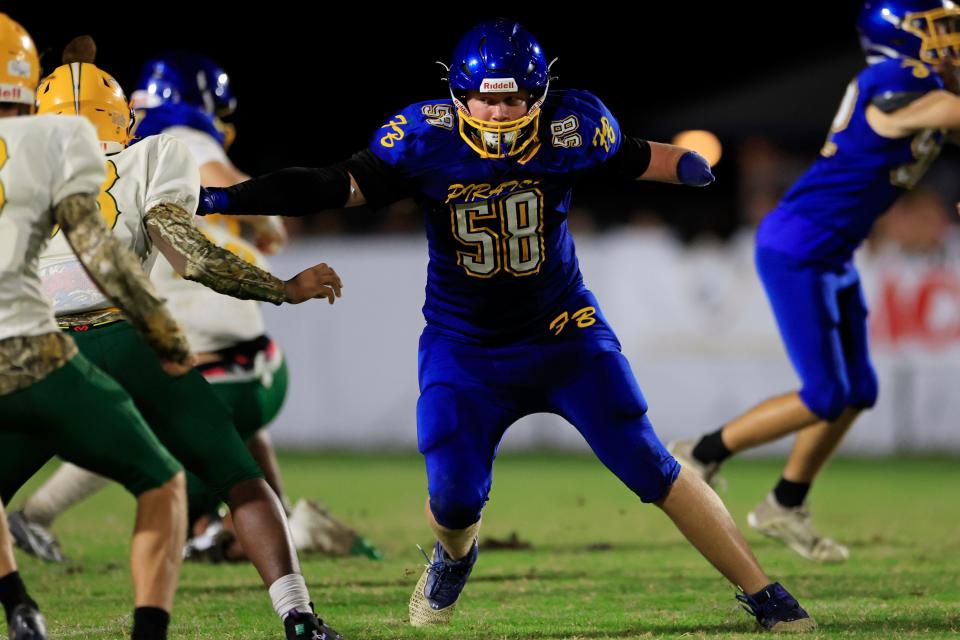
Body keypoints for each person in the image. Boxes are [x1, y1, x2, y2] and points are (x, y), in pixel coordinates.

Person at [197, 18, 815, 633]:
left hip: (565, 333)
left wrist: (685, 163)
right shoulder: (423, 137)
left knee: (648, 462)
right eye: (486, 98)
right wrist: (227, 198)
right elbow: (335, 186)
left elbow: (632, 157)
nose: (497, 113)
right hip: (466, 348)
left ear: (538, 97)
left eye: (512, 98)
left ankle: (765, 595)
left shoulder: (573, 128)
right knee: (453, 496)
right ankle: (454, 556)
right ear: (460, 96)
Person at [1, 37, 344, 640]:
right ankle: (298, 619)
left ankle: (18, 605)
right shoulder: (155, 154)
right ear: (125, 119)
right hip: (129, 337)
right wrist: (284, 289)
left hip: (38, 350)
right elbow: (192, 259)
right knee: (239, 480)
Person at [669, 0, 960, 563]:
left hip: (832, 251)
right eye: (940, 32)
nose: (951, 42)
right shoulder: (897, 80)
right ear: (903, 39)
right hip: (799, 246)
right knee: (826, 394)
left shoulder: (921, 87)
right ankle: (699, 452)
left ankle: (784, 501)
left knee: (859, 391)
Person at [0, 15, 190, 640]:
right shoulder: (50, 149)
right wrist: (161, 331)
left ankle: (16, 601)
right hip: (38, 354)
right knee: (162, 481)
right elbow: (100, 253)